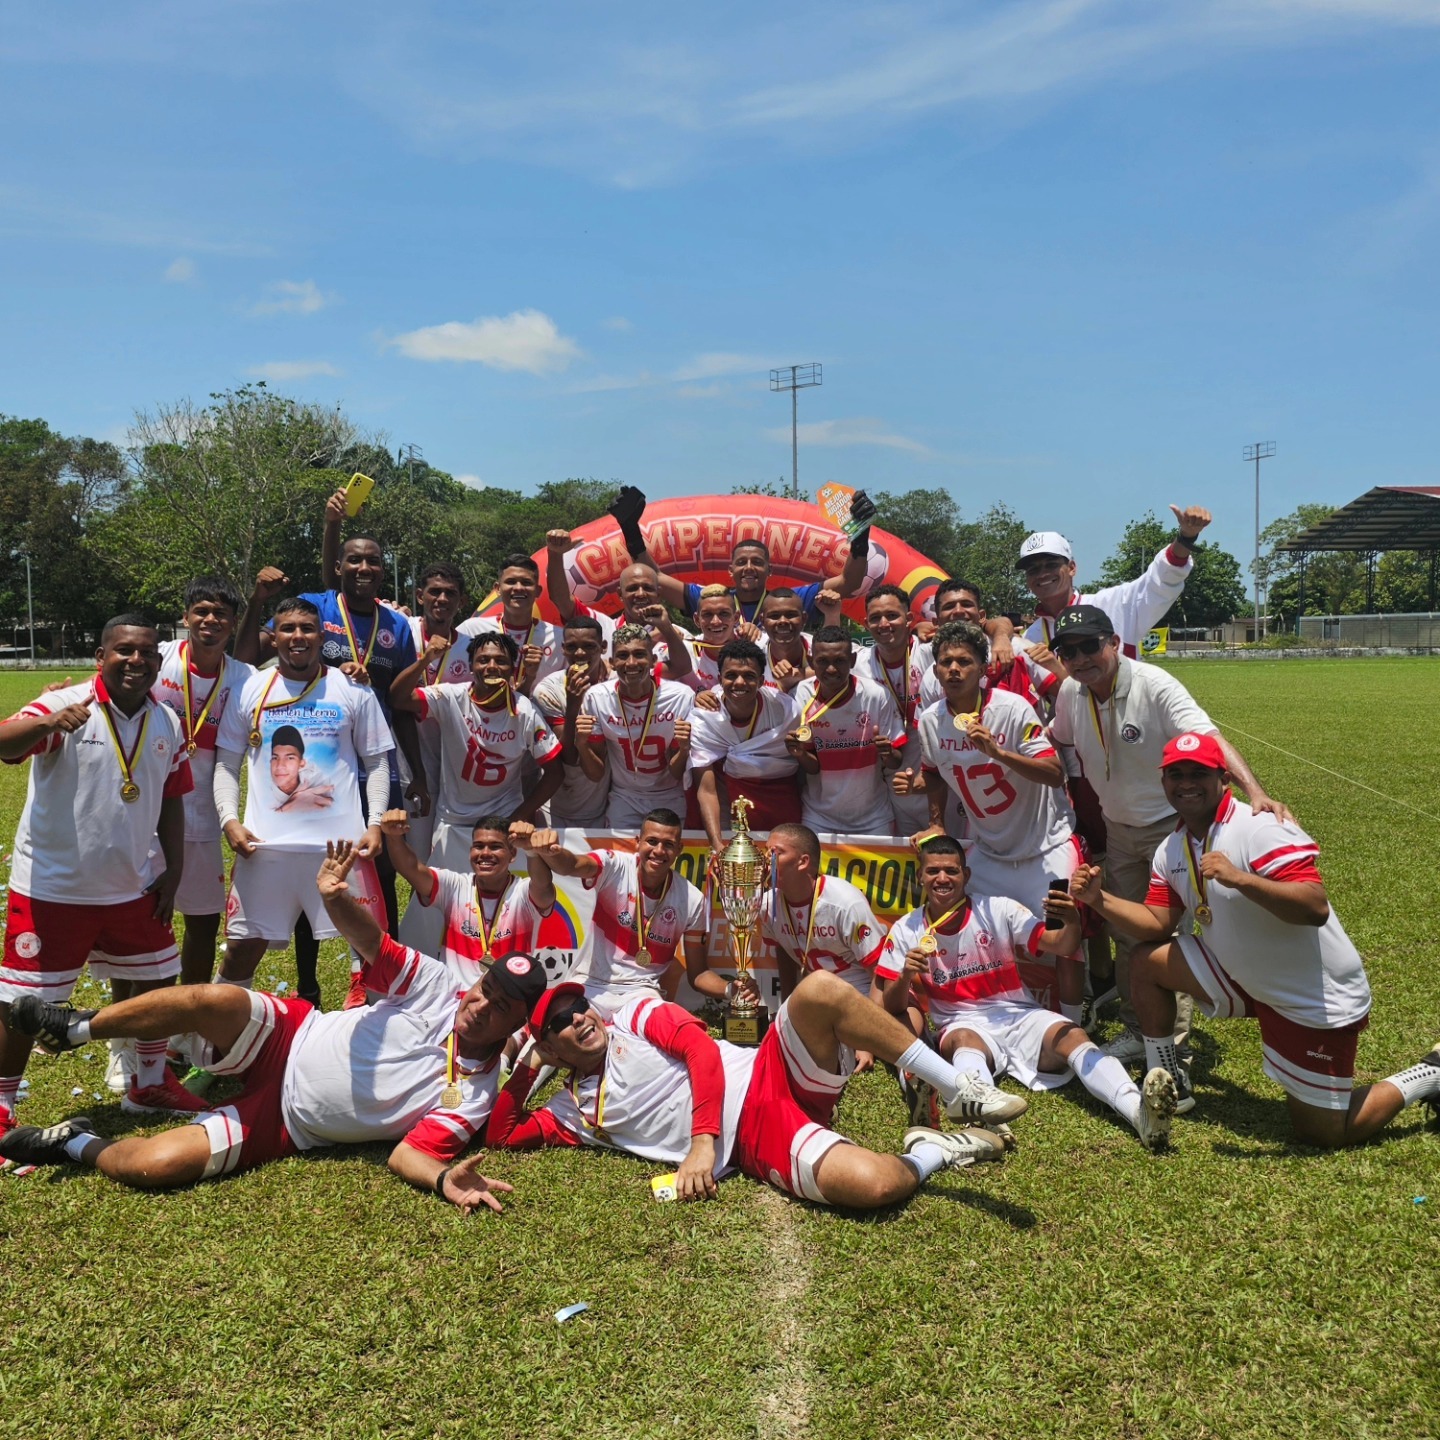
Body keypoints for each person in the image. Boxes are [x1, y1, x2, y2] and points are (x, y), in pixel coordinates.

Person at [1, 840, 539, 1213]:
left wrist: (445, 1179)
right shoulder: (440, 984)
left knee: (157, 1166)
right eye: (485, 988)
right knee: (211, 998)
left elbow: (406, 1154)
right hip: (292, 1035)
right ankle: (72, 1028)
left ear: (518, 1022)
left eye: (500, 1007)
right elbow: (377, 945)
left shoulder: (475, 1094)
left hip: (287, 1123)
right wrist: (336, 899)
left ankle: (69, 1144)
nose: (481, 1005)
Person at [1071, 732, 1440, 1146]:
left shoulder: (1261, 827)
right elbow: (1157, 923)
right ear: (1163, 783)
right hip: (1240, 973)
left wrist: (1239, 879)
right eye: (1176, 774)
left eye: (1199, 773)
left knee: (1324, 1133)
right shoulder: (1173, 848)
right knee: (1144, 961)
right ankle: (1169, 1075)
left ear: (1223, 779)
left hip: (1310, 995)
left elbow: (1314, 906)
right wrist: (1097, 899)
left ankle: (1429, 1074)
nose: (1186, 783)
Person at [487, 968, 1015, 1209]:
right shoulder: (571, 1110)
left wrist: (700, 1143)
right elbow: (501, 1135)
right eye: (560, 1020)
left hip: (767, 1071)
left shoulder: (633, 1013)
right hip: (755, 1140)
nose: (578, 1016)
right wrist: (532, 1062)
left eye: (577, 1005)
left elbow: (700, 1053)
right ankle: (935, 1150)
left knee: (819, 989)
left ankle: (955, 1086)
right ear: (553, 1048)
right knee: (872, 1187)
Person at [1047, 604, 1289, 1064]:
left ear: (1114, 643)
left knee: (1167, 933)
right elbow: (1057, 739)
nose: (1080, 659)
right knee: (1125, 928)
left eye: (1089, 646)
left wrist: (1255, 792)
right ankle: (1141, 1029)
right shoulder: (1069, 693)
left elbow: (1209, 740)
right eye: (1068, 651)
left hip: (1169, 826)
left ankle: (1172, 1044)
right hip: (1119, 827)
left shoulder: (1153, 684)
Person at [0, 613, 199, 1123]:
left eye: (147, 653)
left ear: (159, 661)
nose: (136, 661)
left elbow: (172, 799)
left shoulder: (167, 720)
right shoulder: (65, 706)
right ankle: (1, 1109)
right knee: (22, 1004)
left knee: (158, 979)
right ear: (101, 658)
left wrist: (174, 869)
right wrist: (47, 723)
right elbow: (4, 742)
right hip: (53, 889)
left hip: (133, 884)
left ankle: (148, 1085)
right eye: (124, 651)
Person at [875, 836, 1179, 1150]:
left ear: (966, 875)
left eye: (951, 871)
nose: (942, 878)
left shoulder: (997, 909)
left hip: (1019, 1015)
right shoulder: (906, 929)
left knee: (1073, 1036)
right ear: (920, 877)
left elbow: (1061, 944)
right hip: (962, 1023)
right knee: (963, 1041)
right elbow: (893, 1005)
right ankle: (985, 1118)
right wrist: (906, 974)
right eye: (933, 871)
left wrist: (1072, 920)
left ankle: (1139, 1113)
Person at [213, 598, 391, 991]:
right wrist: (229, 820)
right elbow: (226, 764)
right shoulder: (249, 689)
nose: (298, 637)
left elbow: (377, 762)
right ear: (273, 636)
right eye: (288, 628)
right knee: (241, 951)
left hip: (341, 852)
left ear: (321, 636)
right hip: (265, 849)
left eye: (307, 628)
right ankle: (203, 1042)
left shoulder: (352, 688)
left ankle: (383, 1040)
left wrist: (375, 822)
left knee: (372, 950)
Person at [914, 621, 1085, 1018]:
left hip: (1045, 846)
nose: (953, 669)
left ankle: (1075, 1021)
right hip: (990, 849)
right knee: (962, 924)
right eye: (945, 662)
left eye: (964, 661)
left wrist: (999, 753)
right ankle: (987, 1006)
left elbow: (1053, 772)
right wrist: (937, 821)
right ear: (935, 669)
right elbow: (934, 772)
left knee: (1064, 939)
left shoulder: (1011, 708)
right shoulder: (930, 720)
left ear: (983, 667)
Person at [389, 630, 563, 870]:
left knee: (505, 898)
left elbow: (555, 771)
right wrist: (425, 660)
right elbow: (398, 699)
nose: (491, 667)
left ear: (513, 668)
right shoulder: (450, 696)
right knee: (444, 898)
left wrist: (519, 815)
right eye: (483, 660)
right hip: (452, 821)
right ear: (471, 666)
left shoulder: (525, 711)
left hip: (503, 821)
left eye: (501, 661)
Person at [513, 811, 707, 1017]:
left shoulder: (692, 899)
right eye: (652, 841)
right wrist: (551, 852)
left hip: (641, 993)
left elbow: (699, 975)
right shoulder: (615, 865)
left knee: (662, 1038)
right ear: (638, 842)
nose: (659, 851)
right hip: (589, 982)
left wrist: (733, 990)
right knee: (555, 1030)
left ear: (679, 849)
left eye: (668, 844)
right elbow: (572, 865)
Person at [607, 484, 878, 627]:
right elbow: (655, 579)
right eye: (742, 562)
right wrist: (630, 529)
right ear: (730, 571)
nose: (749, 567)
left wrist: (860, 535)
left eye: (758, 562)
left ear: (770, 571)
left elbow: (849, 583)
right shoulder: (710, 600)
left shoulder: (788, 602)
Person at [380, 810, 554, 991]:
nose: (485, 853)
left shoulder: (523, 892)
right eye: (478, 846)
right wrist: (393, 837)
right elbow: (411, 869)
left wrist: (532, 851)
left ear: (512, 854)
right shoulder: (454, 886)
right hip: (455, 1001)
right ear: (470, 851)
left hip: (507, 1001)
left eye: (495, 847)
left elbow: (544, 886)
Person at [1015, 505, 1212, 657]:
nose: (1042, 574)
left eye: (1051, 565)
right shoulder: (1030, 638)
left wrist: (1186, 537)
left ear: (1072, 568)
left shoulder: (1114, 604)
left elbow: (1161, 580)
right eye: (1033, 569)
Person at [787, 625, 907, 838]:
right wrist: (800, 754)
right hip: (819, 816)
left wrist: (887, 753)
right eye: (823, 661)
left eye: (840, 661)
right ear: (812, 660)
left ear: (852, 661)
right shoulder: (801, 695)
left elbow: (896, 761)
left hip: (873, 817)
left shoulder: (876, 695)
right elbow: (813, 768)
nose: (831, 669)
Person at [689, 639, 801, 851]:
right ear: (720, 679)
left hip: (779, 804)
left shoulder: (784, 710)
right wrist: (716, 844)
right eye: (731, 675)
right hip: (726, 808)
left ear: (760, 681)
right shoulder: (704, 717)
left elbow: (798, 767)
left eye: (749, 676)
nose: (739, 682)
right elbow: (706, 789)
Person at [579, 625, 695, 829]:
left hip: (670, 794)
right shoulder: (596, 698)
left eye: (639, 654)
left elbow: (677, 773)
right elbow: (596, 775)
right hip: (625, 796)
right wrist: (581, 744)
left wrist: (685, 749)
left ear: (653, 660)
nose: (631, 663)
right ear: (612, 663)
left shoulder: (681, 696)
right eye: (623, 655)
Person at [402, 562, 474, 862]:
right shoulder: (402, 631)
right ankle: (421, 910)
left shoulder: (471, 649)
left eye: (450, 593)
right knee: (417, 852)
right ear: (420, 596)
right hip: (407, 762)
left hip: (451, 768)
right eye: (435, 592)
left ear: (461, 602)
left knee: (451, 853)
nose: (442, 599)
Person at [853, 583, 932, 832]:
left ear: (909, 618)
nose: (884, 624)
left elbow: (985, 628)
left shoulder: (932, 652)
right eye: (875, 618)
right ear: (866, 624)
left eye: (892, 615)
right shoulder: (860, 663)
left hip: (938, 777)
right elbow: (824, 670)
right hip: (894, 780)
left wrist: (1002, 633)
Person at [528, 615, 612, 829]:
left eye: (589, 646)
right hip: (557, 807)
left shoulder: (618, 684)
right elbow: (569, 757)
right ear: (563, 649)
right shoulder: (548, 691)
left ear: (603, 647)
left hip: (604, 806)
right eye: (573, 647)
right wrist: (573, 705)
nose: (580, 653)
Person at [460, 552, 565, 693]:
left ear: (538, 591)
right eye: (511, 582)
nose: (519, 588)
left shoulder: (557, 637)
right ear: (497, 589)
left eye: (526, 582)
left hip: (538, 714)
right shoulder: (470, 629)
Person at [757, 588, 812, 693]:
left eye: (791, 615)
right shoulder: (752, 653)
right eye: (774, 616)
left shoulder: (819, 649)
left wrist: (800, 675)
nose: (783, 621)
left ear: (804, 618)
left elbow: (841, 671)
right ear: (762, 620)